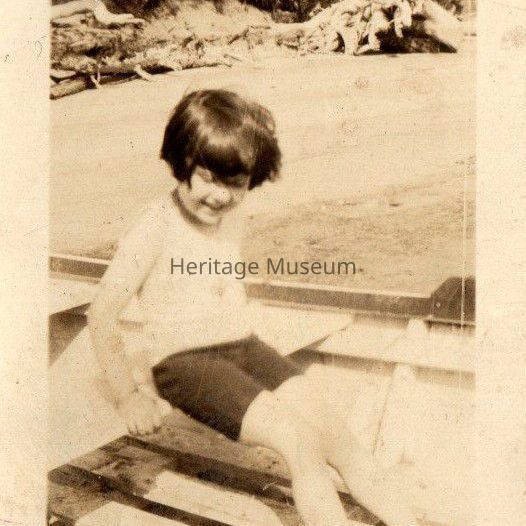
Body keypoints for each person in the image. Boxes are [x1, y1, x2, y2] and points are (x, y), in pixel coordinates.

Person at [88, 89, 417, 526]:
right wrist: (129, 397)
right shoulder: (155, 226)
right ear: (182, 162)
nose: (220, 197)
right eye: (208, 178)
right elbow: (101, 314)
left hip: (242, 348)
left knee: (338, 436)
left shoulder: (230, 217)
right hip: (183, 364)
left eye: (236, 184)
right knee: (300, 442)